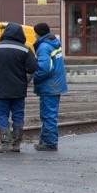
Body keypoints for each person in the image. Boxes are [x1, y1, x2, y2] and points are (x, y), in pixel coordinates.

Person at [0, 22, 37, 153]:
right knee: (18, 115)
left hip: (0, 89)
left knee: (2, 115)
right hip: (19, 90)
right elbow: (32, 68)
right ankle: (16, 144)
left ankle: (5, 143)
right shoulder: (25, 49)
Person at [32, 22, 68, 151]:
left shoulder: (43, 47)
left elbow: (44, 68)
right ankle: (44, 141)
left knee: (48, 115)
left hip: (49, 85)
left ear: (37, 33)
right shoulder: (54, 42)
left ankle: (50, 143)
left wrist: (34, 78)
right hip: (56, 84)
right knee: (49, 114)